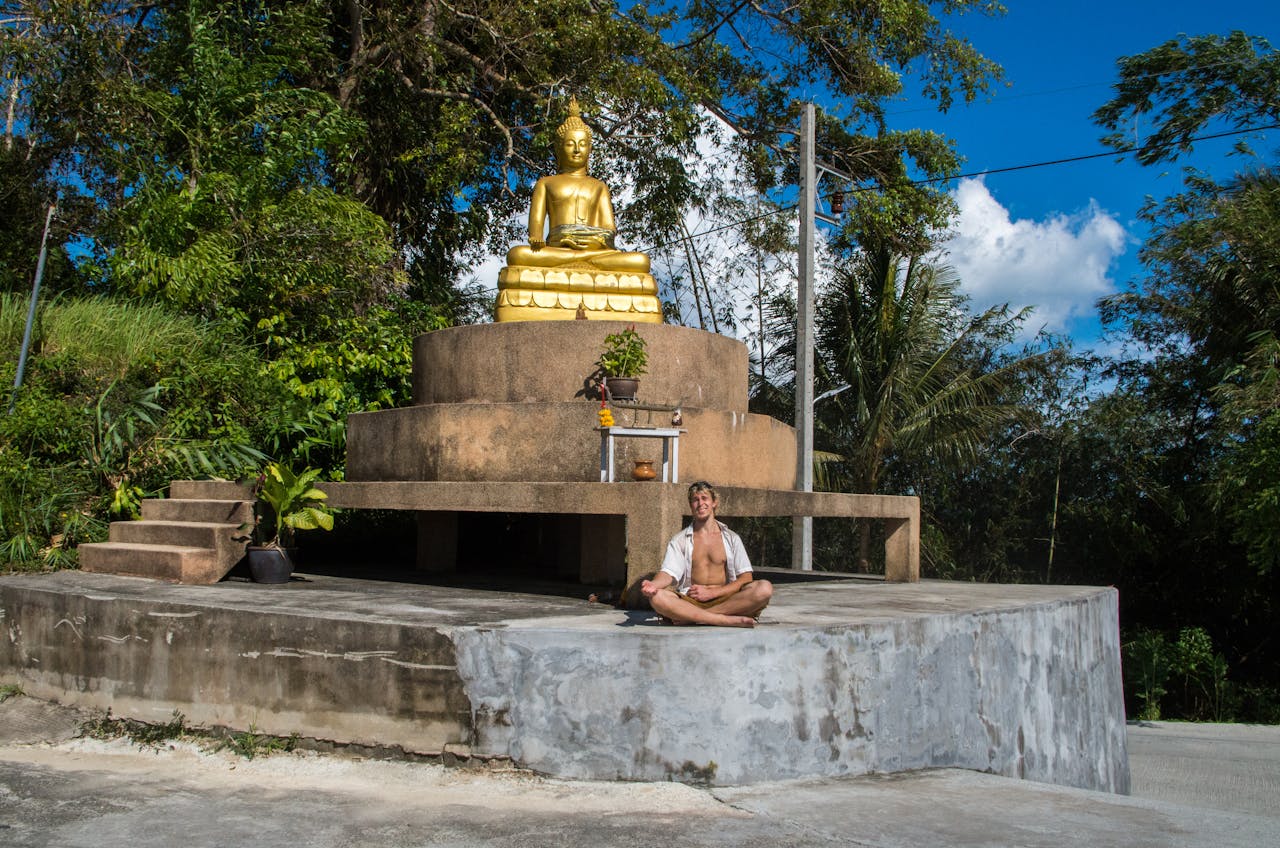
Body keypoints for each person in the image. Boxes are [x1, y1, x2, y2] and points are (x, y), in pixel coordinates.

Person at [505, 97, 650, 273]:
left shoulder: (599, 186)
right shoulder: (546, 183)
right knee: (518, 255)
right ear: (559, 148)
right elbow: (535, 234)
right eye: (570, 144)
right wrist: (540, 239)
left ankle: (582, 260)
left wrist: (595, 243)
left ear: (589, 149)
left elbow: (609, 231)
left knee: (641, 261)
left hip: (593, 252)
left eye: (582, 145)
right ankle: (583, 262)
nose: (576, 150)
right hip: (557, 250)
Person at [641, 481, 773, 627]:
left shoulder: (731, 538)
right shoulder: (680, 540)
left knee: (764, 588)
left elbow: (746, 578)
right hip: (690, 600)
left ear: (714, 502)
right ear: (691, 505)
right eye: (695, 500)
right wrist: (653, 585)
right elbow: (668, 573)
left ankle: (694, 617)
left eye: (704, 498)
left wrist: (712, 593)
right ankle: (724, 620)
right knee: (657, 597)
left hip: (725, 599)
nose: (700, 503)